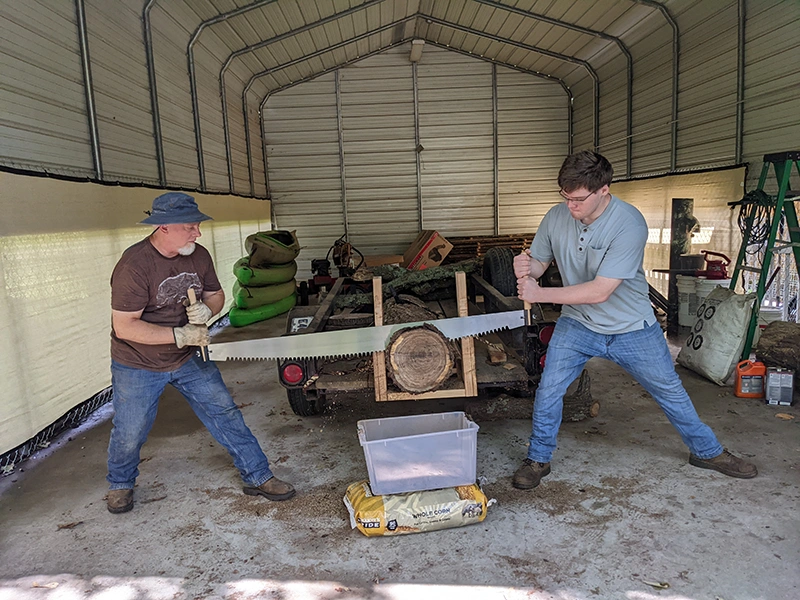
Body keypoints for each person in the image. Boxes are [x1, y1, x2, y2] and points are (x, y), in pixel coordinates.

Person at [512, 150, 757, 490]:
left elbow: (600, 291)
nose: (571, 206)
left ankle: (708, 452)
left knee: (670, 392)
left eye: (578, 199)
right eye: (565, 197)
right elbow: (538, 263)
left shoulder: (629, 222)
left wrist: (539, 294)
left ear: (604, 190)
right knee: (550, 389)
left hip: (632, 328)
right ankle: (538, 458)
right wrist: (526, 268)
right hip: (578, 324)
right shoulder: (555, 217)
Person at [106, 192, 295, 514]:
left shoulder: (198, 255)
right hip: (138, 363)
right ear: (164, 227)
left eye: (197, 226)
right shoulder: (134, 265)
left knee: (224, 413)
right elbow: (125, 327)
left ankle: (258, 476)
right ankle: (120, 484)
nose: (198, 233)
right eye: (190, 227)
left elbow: (217, 295)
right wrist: (179, 334)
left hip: (188, 358)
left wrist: (208, 311)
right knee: (130, 428)